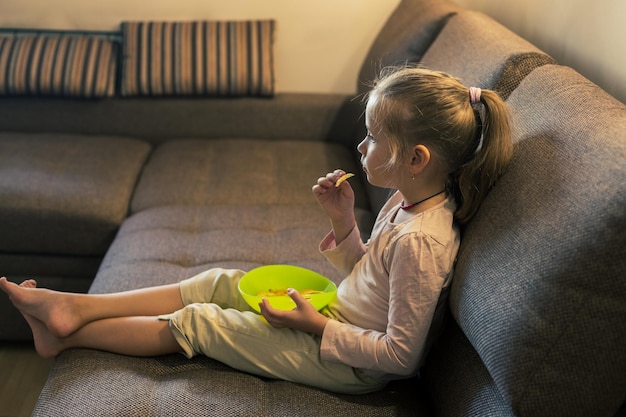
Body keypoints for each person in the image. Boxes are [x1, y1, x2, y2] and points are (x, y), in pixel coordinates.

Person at [0, 66, 512, 395]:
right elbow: (371, 277)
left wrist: (315, 327)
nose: (361, 147)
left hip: (349, 364)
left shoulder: (424, 240)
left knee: (202, 320)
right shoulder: (408, 203)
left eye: (374, 138)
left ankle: (67, 341)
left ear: (416, 159)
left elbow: (401, 356)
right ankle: (75, 308)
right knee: (215, 281)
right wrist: (342, 218)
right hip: (339, 314)